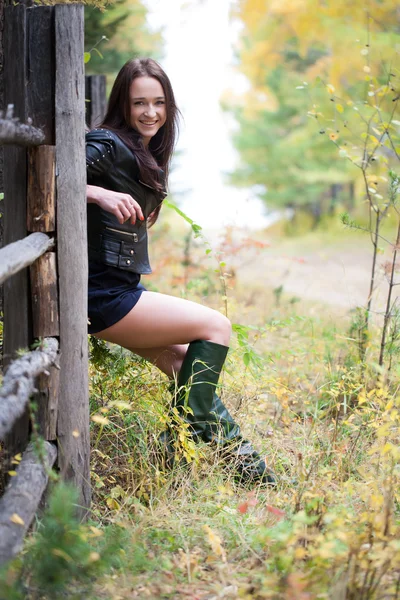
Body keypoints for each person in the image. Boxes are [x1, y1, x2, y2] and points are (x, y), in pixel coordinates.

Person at [86, 58, 275, 485]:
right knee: (215, 326)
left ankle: (238, 472)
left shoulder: (140, 151)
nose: (150, 112)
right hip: (101, 296)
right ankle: (197, 461)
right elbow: (50, 172)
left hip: (114, 289)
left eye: (159, 102)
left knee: (182, 366)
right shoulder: (106, 142)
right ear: (123, 104)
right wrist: (95, 192)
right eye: (139, 103)